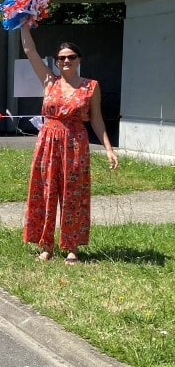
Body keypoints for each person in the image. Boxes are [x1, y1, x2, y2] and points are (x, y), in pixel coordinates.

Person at [19, 22, 119, 264]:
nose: (66, 61)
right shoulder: (48, 81)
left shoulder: (90, 86)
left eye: (71, 57)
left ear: (79, 59)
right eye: (61, 58)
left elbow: (96, 119)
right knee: (45, 192)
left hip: (76, 144)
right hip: (48, 142)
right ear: (56, 62)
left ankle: (72, 246)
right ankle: (46, 245)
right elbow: (30, 51)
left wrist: (108, 149)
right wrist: (23, 23)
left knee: (73, 194)